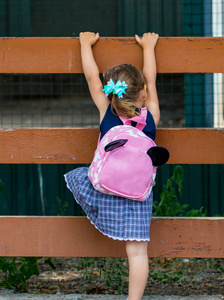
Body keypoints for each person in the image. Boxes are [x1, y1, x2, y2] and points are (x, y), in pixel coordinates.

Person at [64, 31, 160, 300]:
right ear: (142, 92)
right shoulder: (150, 114)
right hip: (139, 194)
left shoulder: (107, 111)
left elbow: (91, 78)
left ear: (111, 91)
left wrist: (85, 44)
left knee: (82, 176)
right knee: (138, 252)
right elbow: (151, 81)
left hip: (106, 189)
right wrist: (149, 47)